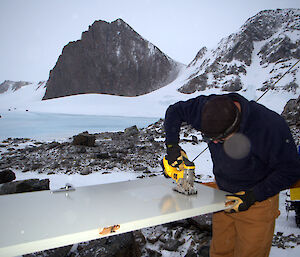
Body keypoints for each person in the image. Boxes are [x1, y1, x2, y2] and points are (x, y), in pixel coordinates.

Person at [164, 93, 300, 257]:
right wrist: (172, 147)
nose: (213, 142)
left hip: (258, 201)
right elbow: (174, 111)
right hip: (223, 195)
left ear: (235, 127)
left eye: (219, 139)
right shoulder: (207, 108)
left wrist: (253, 196)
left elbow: (291, 170)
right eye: (209, 137)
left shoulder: (269, 126)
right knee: (220, 251)